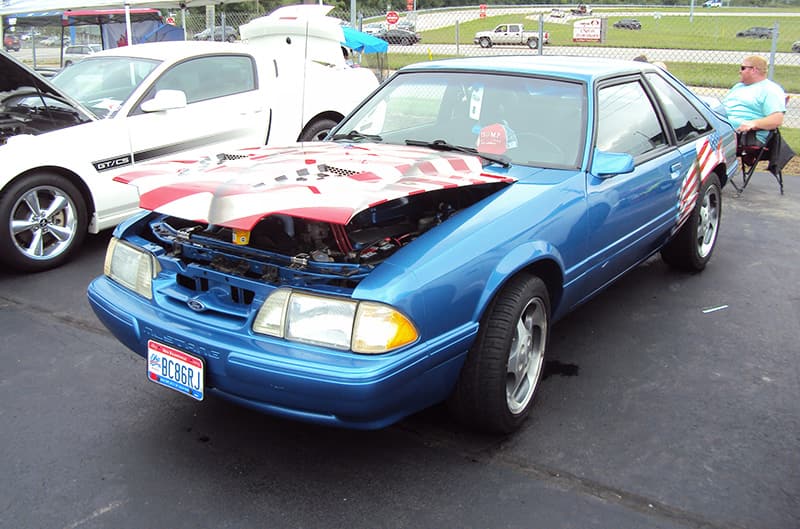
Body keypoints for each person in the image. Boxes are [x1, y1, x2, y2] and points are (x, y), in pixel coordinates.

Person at [722, 55, 786, 144]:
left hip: (745, 135)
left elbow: (776, 119)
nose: (740, 71)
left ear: (754, 70)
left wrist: (754, 124)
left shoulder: (770, 89)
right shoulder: (738, 86)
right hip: (722, 128)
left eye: (743, 68)